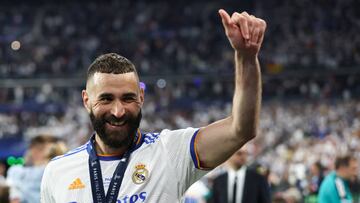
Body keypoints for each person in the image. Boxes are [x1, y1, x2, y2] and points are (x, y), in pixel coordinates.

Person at [41, 8, 267, 203]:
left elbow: (241, 129)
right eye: (106, 99)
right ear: (86, 100)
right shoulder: (58, 171)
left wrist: (246, 58)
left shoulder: (171, 152)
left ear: (141, 96)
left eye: (128, 98)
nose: (118, 111)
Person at [6, 135, 67, 203]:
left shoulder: (54, 169)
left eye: (42, 149)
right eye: (39, 149)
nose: (39, 153)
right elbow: (15, 198)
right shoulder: (17, 171)